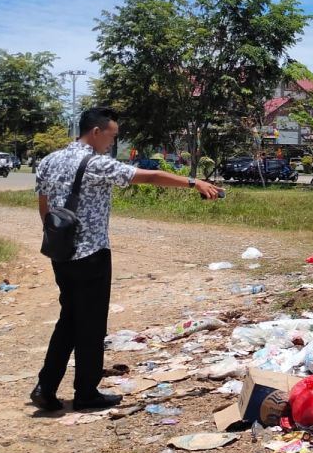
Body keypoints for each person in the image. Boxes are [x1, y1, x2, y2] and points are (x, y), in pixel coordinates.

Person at [30, 106, 221, 412]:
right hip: (91, 254)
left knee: (69, 320)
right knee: (90, 326)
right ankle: (86, 393)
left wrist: (58, 239)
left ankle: (46, 386)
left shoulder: (49, 161)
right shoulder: (97, 163)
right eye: (112, 136)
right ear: (96, 132)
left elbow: (44, 206)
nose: (112, 143)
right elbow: (150, 176)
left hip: (60, 253)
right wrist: (192, 182)